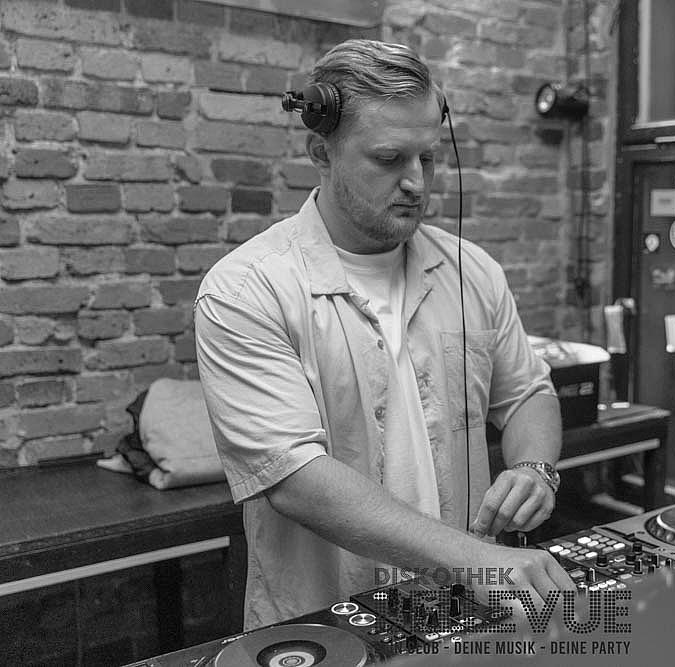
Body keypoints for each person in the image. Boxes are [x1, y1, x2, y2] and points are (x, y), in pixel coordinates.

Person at [194, 39, 574, 630]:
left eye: (428, 158)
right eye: (389, 159)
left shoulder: (473, 271)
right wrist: (476, 560)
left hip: (467, 610)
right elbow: (294, 478)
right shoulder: (245, 290)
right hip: (326, 627)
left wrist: (534, 469)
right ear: (321, 152)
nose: (416, 182)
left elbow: (528, 393)